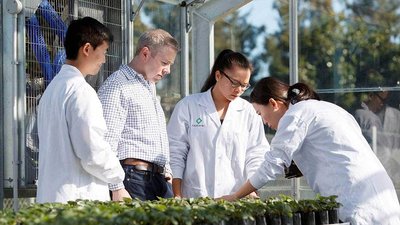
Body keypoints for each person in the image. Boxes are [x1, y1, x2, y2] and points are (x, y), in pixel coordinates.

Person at [221, 77, 400, 225]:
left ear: (273, 103)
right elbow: (329, 154)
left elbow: (273, 164)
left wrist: (236, 195)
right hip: (385, 202)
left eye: (260, 113)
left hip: (359, 207)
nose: (263, 121)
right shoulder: (328, 109)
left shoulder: (295, 115)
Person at [36, 17, 125, 203]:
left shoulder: (51, 91)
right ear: (87, 49)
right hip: (78, 200)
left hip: (51, 198)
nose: (103, 60)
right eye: (103, 52)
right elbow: (92, 152)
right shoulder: (82, 91)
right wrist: (118, 178)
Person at [167, 49, 269, 198]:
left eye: (244, 85)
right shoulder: (188, 106)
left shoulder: (248, 111)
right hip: (195, 196)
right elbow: (175, 151)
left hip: (236, 197)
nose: (239, 90)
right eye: (235, 83)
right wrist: (177, 194)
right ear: (218, 75)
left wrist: (250, 189)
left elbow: (256, 153)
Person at [98, 29, 179, 201]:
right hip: (134, 179)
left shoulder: (149, 86)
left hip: (157, 179)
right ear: (145, 53)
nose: (168, 70)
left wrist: (167, 172)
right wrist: (116, 187)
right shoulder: (117, 85)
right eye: (165, 62)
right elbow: (106, 141)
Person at [354, 91, 400, 187]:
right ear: (371, 95)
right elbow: (380, 153)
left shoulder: (356, 114)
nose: (382, 104)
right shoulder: (370, 119)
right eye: (381, 100)